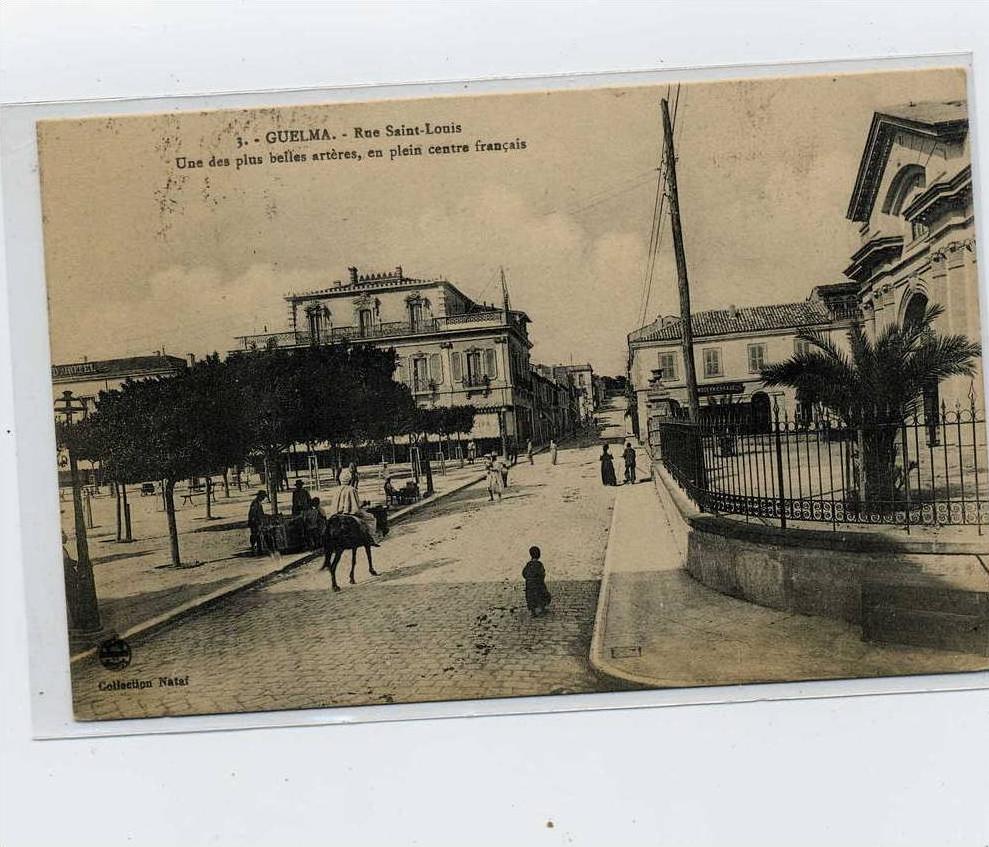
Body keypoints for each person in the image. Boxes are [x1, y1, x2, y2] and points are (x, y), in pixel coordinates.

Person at [332, 472, 379, 546]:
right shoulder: (351, 489)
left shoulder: (336, 489)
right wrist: (364, 503)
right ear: (350, 480)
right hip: (349, 513)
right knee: (371, 518)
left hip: (337, 514)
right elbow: (356, 505)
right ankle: (371, 538)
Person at [522, 545, 552, 617]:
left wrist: (528, 579)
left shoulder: (528, 564)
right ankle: (542, 609)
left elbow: (524, 573)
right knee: (542, 596)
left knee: (531, 599)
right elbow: (542, 573)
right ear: (539, 555)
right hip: (539, 585)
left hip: (530, 585)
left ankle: (533, 612)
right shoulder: (539, 564)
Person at [248, 490, 268, 555]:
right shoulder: (255, 503)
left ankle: (259, 549)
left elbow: (261, 514)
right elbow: (254, 514)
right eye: (263, 497)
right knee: (255, 535)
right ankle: (253, 548)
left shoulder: (258, 502)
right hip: (254, 522)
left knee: (258, 536)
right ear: (260, 496)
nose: (264, 498)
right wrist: (257, 522)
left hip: (256, 522)